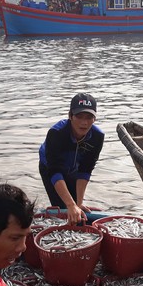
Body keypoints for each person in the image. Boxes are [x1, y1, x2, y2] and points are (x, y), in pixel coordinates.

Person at [39, 93, 104, 224]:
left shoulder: (97, 136)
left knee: (76, 209)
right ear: (70, 116)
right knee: (64, 208)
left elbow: (85, 170)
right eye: (79, 116)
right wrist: (70, 205)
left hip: (74, 168)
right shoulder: (56, 133)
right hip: (50, 168)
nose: (84, 122)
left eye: (89, 117)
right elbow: (55, 170)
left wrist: (78, 204)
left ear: (94, 119)